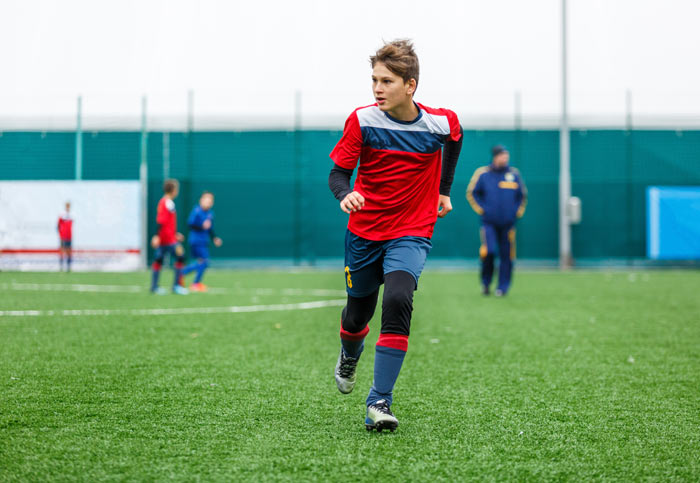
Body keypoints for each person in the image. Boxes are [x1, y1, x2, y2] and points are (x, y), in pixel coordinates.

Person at [328, 39, 463, 432]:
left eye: (387, 81)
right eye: (374, 80)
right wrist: (345, 193)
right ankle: (349, 355)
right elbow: (338, 172)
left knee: (400, 297)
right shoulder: (362, 120)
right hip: (365, 234)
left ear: (410, 85)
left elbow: (454, 139)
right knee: (357, 316)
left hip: (411, 231)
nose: (377, 88)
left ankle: (379, 401)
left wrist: (444, 190)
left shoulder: (440, 122)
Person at [466, 145, 527, 296]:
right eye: (502, 155)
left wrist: (516, 213)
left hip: (508, 224)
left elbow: (522, 196)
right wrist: (483, 210)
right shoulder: (483, 174)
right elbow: (472, 193)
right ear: (495, 157)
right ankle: (486, 284)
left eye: (507, 156)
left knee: (507, 256)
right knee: (490, 252)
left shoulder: (514, 174)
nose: (505, 158)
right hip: (489, 223)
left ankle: (502, 287)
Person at [150, 179, 188, 295]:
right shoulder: (167, 203)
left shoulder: (164, 202)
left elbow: (167, 222)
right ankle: (176, 286)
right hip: (167, 239)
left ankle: (154, 287)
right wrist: (157, 235)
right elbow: (161, 221)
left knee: (159, 260)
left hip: (167, 237)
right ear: (173, 190)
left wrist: (174, 234)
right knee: (181, 256)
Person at [182, 191, 222, 292]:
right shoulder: (197, 211)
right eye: (206, 200)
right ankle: (192, 281)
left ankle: (184, 274)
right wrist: (201, 226)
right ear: (201, 200)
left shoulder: (210, 213)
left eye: (210, 201)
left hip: (204, 241)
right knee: (205, 262)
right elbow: (190, 224)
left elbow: (209, 229)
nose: (208, 202)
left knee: (202, 262)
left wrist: (214, 238)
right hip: (196, 241)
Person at [57, 201, 73, 272]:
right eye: (67, 205)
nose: (68, 207)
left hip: (69, 236)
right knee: (62, 251)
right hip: (63, 236)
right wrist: (60, 234)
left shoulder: (71, 215)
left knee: (69, 251)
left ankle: (68, 267)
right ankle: (61, 267)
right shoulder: (62, 215)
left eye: (68, 206)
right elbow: (58, 225)